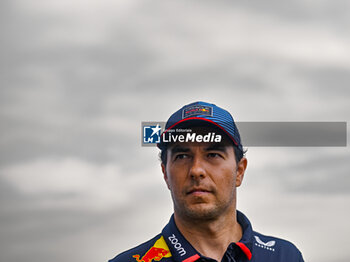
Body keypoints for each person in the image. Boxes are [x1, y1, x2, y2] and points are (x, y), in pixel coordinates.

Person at [109, 101, 304, 262]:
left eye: (213, 154)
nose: (196, 170)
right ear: (165, 174)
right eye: (182, 156)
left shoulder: (284, 256)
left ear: (239, 171)